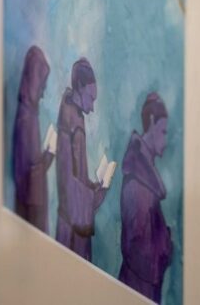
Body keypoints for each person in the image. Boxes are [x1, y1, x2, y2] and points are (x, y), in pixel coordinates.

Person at [118, 93, 173, 303]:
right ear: (151, 122)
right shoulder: (138, 183)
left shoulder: (144, 179)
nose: (166, 141)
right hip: (137, 290)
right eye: (163, 132)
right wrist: (165, 247)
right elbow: (136, 249)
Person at [55, 58, 108, 261]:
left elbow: (77, 174)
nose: (92, 107)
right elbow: (67, 181)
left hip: (74, 221)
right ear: (79, 87)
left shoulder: (77, 116)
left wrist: (93, 186)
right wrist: (93, 198)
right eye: (91, 98)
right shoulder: (69, 121)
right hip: (71, 228)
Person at [11, 45, 55, 232]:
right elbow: (26, 177)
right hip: (30, 213)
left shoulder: (29, 114)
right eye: (42, 86)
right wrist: (49, 156)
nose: (43, 93)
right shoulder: (26, 119)